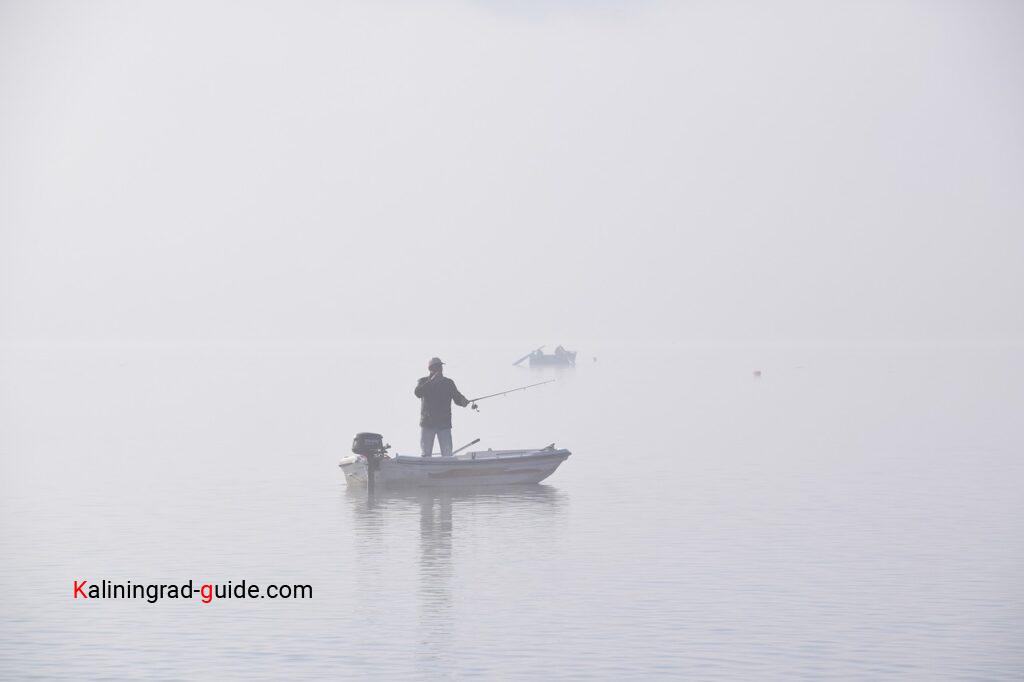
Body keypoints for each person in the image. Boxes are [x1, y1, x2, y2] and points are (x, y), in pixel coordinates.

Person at [414, 357, 470, 457]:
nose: (440, 369)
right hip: (427, 424)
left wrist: (463, 401)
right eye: (437, 367)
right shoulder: (423, 381)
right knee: (425, 454)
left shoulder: (448, 383)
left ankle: (446, 467)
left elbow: (457, 397)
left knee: (447, 454)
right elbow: (418, 393)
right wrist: (431, 381)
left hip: (444, 424)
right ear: (430, 369)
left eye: (440, 366)